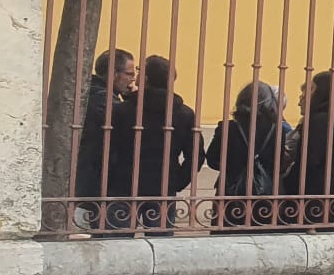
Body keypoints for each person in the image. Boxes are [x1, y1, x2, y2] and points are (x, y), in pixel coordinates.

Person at [120, 56, 197, 231]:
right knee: (161, 244)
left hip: (125, 182)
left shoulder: (124, 110)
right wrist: (178, 181)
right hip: (163, 184)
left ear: (145, 79)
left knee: (117, 240)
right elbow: (195, 155)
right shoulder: (184, 113)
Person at [202, 82, 287, 228]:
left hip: (230, 192)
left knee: (227, 235)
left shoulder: (228, 128)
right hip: (264, 193)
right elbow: (279, 165)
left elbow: (212, 159)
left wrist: (233, 167)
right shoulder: (278, 130)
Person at [288, 70, 334, 227]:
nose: (303, 98)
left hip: (317, 203)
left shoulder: (320, 120)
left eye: (310, 90)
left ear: (321, 92)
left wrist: (288, 189)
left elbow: (307, 163)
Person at [73, 49, 137, 231]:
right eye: (129, 74)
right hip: (95, 180)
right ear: (113, 74)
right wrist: (134, 99)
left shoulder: (98, 92)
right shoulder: (100, 97)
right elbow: (126, 120)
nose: (133, 80)